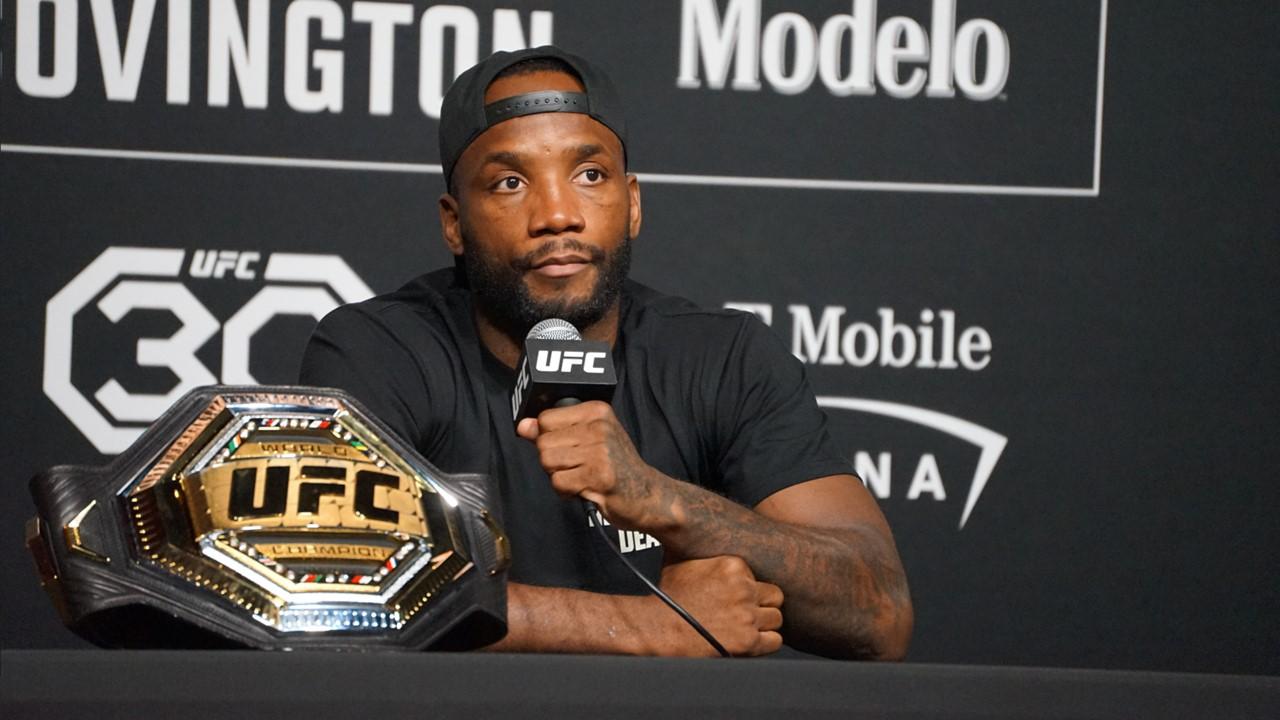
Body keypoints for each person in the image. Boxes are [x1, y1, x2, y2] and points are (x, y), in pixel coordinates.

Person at [299, 46, 911, 659]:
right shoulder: (381, 350)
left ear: (633, 202)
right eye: (510, 183)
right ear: (455, 224)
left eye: (589, 175)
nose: (558, 215)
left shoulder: (724, 357)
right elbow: (330, 584)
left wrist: (664, 501)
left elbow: (880, 613)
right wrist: (650, 626)